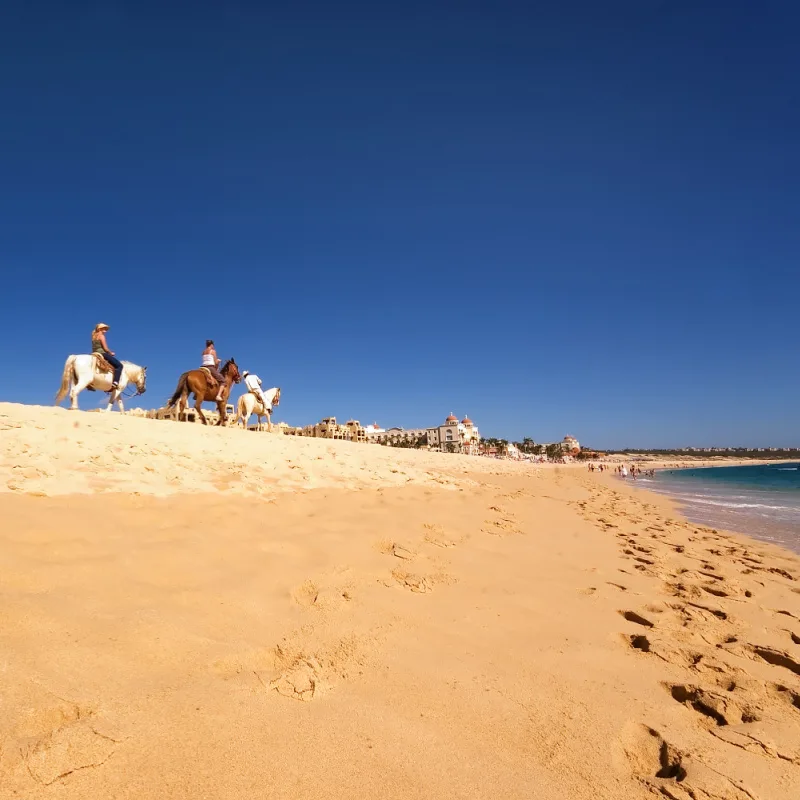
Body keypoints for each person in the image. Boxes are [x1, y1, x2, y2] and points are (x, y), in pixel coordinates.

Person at [91, 323, 123, 391]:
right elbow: (105, 348)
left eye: (105, 328)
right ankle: (115, 382)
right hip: (102, 353)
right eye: (104, 328)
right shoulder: (102, 336)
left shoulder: (93, 336)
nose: (105, 330)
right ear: (99, 329)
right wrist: (110, 352)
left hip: (94, 353)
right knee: (119, 366)